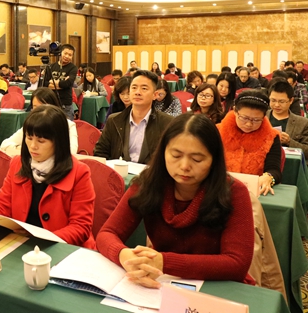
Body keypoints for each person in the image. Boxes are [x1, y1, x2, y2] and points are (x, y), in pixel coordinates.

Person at [96, 114, 254, 287]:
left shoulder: (234, 192)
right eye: (176, 155)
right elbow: (107, 234)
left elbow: (237, 263)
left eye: (197, 159)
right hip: (164, 284)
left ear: (214, 160)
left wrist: (164, 262)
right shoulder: (149, 183)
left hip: (217, 287)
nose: (184, 166)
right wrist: (125, 256)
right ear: (163, 152)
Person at [0, 105, 95, 247]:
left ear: (58, 141)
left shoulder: (79, 173)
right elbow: (2, 206)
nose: (32, 146)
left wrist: (42, 238)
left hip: (63, 249)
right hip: (24, 244)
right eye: (29, 138)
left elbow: (81, 227)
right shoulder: (18, 164)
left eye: (41, 141)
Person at [94, 70, 174, 164]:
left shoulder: (167, 123)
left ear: (155, 95)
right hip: (118, 171)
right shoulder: (114, 120)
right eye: (134, 88)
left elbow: (172, 158)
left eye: (144, 88)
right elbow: (100, 153)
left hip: (150, 172)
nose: (137, 92)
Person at [217, 90, 281, 195]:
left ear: (264, 116)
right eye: (244, 118)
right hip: (220, 188)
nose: (248, 124)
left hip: (253, 192)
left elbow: (274, 170)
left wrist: (269, 177)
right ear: (235, 111)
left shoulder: (271, 137)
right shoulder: (218, 131)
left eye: (256, 120)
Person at [0, 87, 78, 156]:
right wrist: (27, 150)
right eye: (35, 107)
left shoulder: (68, 125)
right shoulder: (31, 125)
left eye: (43, 107)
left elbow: (71, 153)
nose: (39, 111)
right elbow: (4, 145)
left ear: (54, 106)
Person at [267, 79, 308, 154]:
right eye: (273, 100)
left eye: (281, 101)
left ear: (291, 100)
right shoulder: (261, 117)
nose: (277, 105)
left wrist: (289, 142)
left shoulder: (303, 123)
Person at [42, 44, 78, 120]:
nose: (67, 56)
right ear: (60, 53)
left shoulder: (73, 68)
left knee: (67, 126)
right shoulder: (51, 66)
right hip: (51, 103)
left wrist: (52, 82)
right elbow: (44, 83)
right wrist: (61, 83)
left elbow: (68, 83)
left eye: (70, 55)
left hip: (65, 105)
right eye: (65, 53)